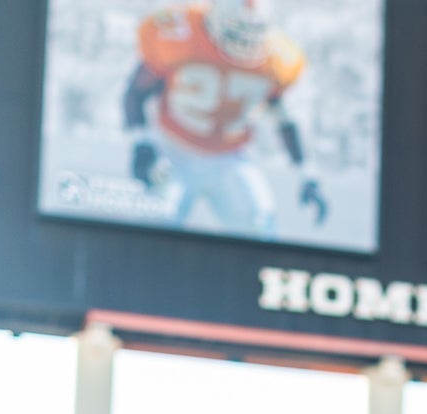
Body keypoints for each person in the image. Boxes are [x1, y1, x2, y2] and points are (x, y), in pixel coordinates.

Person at [123, 0, 327, 237]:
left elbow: (284, 118)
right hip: (173, 149)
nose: (245, 42)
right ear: (215, 21)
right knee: (154, 227)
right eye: (238, 33)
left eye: (253, 34)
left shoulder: (277, 58)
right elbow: (136, 93)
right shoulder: (179, 33)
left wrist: (307, 173)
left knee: (261, 228)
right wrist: (142, 142)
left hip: (229, 157)